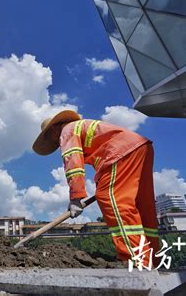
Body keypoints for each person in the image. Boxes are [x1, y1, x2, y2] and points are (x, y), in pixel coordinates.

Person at [33, 110, 160, 268]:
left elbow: (73, 163)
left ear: (53, 130)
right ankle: (152, 259)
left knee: (111, 199)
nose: (56, 143)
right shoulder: (81, 127)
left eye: (51, 139)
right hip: (140, 147)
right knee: (142, 205)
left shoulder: (67, 131)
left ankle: (135, 260)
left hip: (120, 153)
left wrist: (75, 198)